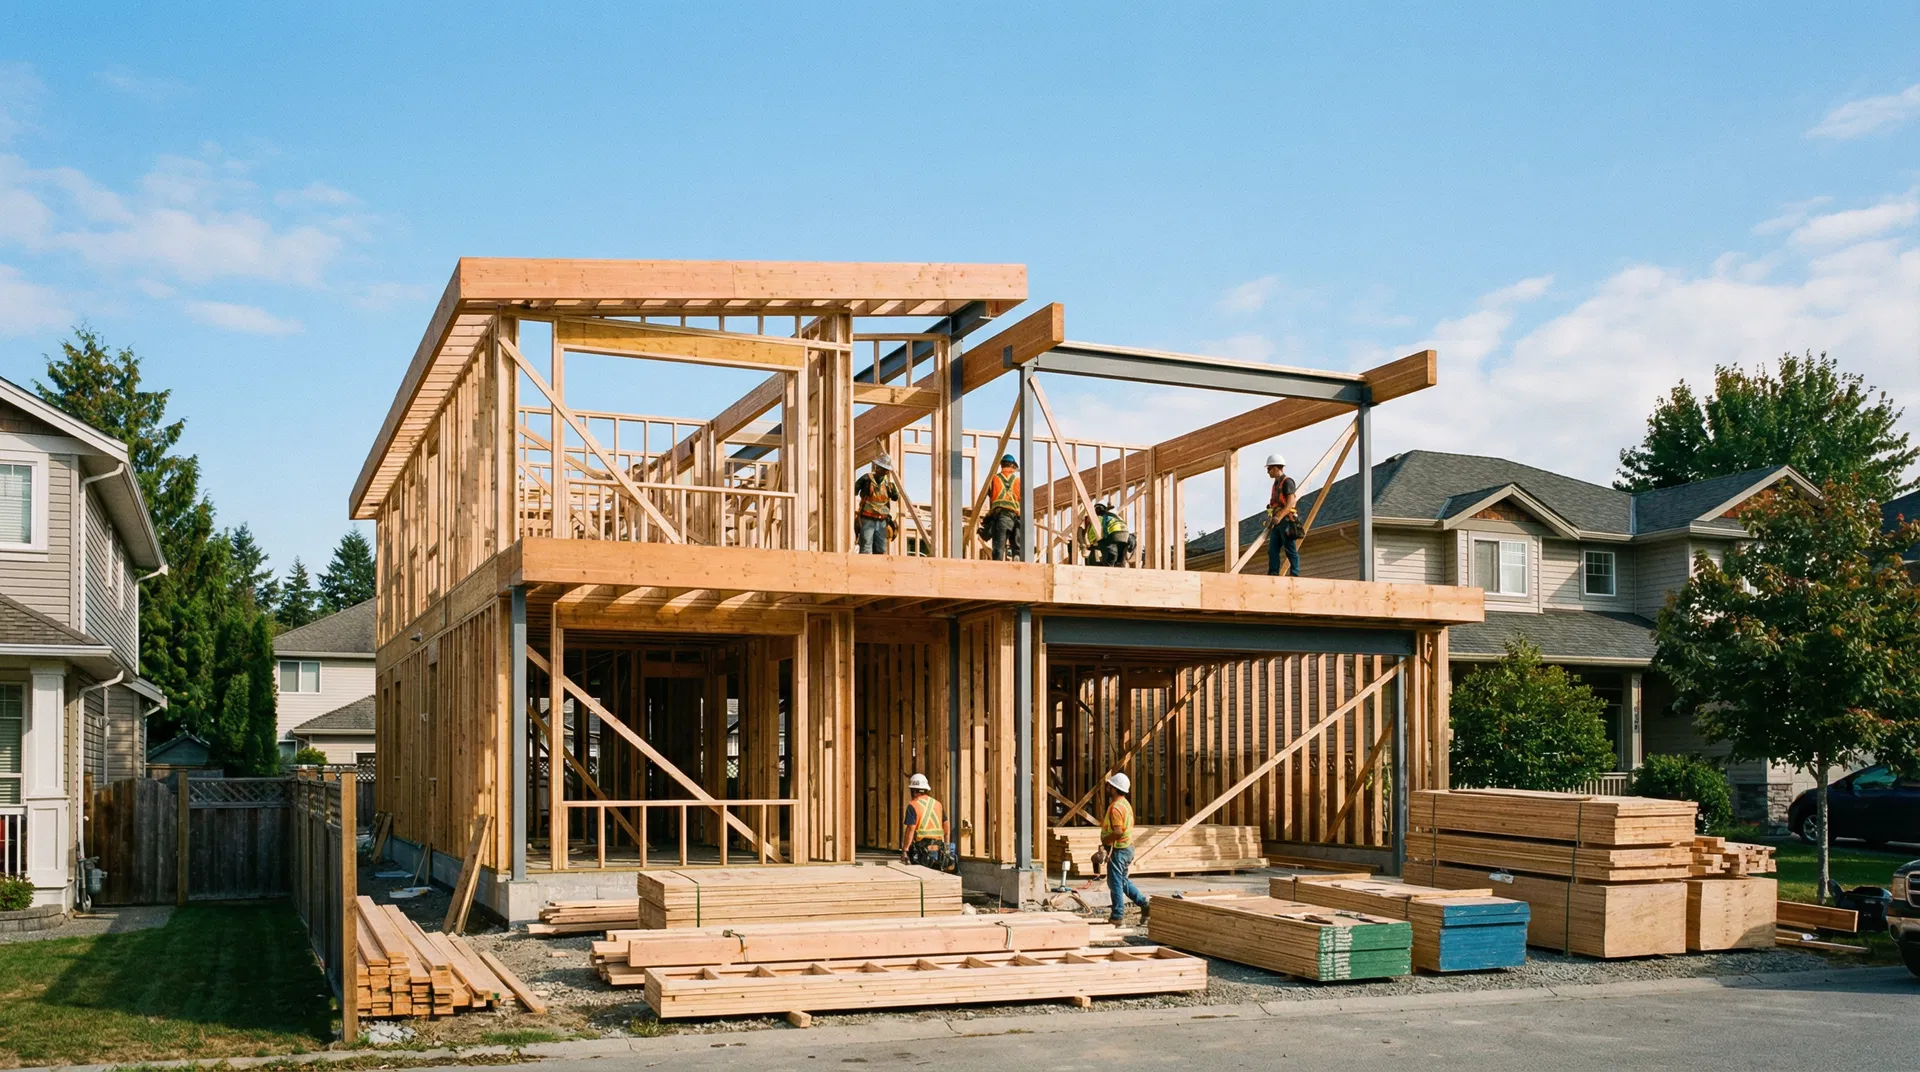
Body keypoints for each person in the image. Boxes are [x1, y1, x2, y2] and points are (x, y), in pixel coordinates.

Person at [1099, 772, 1149, 924]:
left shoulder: (1115, 808)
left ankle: (1117, 916)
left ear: (1114, 789)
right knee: (1123, 881)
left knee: (1115, 883)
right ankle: (1144, 904)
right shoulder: (1125, 804)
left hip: (1120, 850)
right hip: (1127, 848)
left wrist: (1106, 843)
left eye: (1109, 786)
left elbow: (1118, 831)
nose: (1107, 788)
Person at [854, 453, 901, 555]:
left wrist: (894, 491)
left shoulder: (889, 485)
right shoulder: (866, 479)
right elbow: (853, 490)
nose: (880, 470)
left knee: (880, 548)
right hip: (867, 518)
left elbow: (895, 497)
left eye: (884, 469)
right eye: (879, 467)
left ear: (886, 471)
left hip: (882, 520)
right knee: (866, 546)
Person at [900, 773, 949, 868]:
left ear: (913, 791)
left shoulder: (913, 805)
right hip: (938, 847)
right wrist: (947, 847)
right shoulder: (937, 804)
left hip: (922, 848)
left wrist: (905, 850)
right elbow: (946, 824)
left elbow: (911, 829)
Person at [1264, 453, 1300, 577]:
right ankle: (1273, 573)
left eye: (1269, 469)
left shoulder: (1287, 482)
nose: (1268, 472)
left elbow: (1290, 503)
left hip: (1286, 520)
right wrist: (1270, 517)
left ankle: (1294, 574)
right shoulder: (1275, 485)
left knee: (1290, 549)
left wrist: (1279, 517)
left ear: (1275, 468)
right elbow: (1273, 504)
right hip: (1277, 521)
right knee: (1272, 549)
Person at [982, 454, 1023, 561]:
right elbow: (1020, 499)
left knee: (998, 547)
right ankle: (1017, 558)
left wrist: (988, 517)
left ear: (1001, 465)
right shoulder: (1017, 481)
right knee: (1016, 544)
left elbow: (990, 496)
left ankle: (997, 569)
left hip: (1001, 517)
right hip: (1015, 516)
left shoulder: (994, 479)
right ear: (1012, 466)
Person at [1082, 502, 1134, 567]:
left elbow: (1092, 533)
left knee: (1106, 548)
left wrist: (1090, 544)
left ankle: (1109, 566)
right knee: (1120, 558)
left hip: (1114, 535)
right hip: (1126, 536)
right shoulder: (1115, 516)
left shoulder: (1099, 517)